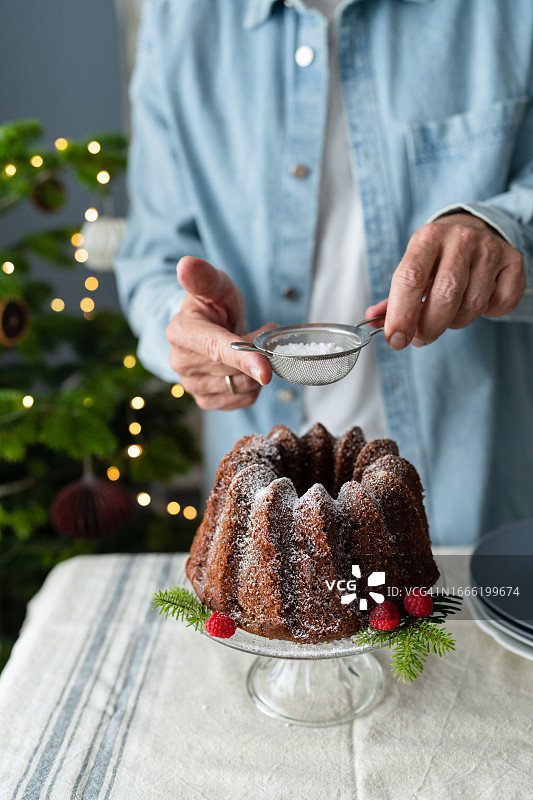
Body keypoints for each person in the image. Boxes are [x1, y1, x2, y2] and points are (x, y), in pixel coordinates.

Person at [115, 0, 533, 545]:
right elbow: (153, 255)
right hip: (264, 528)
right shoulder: (181, 20)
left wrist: (502, 230)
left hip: (470, 508)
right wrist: (183, 322)